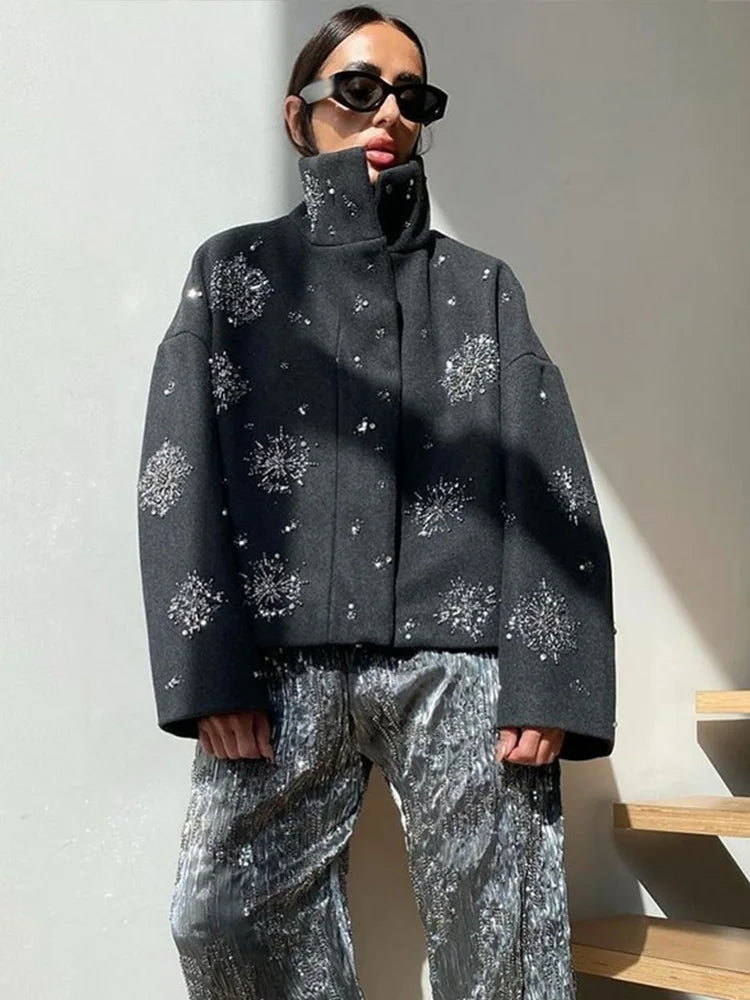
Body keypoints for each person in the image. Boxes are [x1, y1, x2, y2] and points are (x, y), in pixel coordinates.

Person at [136, 5, 617, 998]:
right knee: (220, 915)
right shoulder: (233, 272)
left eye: (412, 96)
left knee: (505, 937)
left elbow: (551, 481)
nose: (388, 112)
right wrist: (206, 671)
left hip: (460, 653)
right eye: (358, 88)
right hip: (279, 664)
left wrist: (550, 681)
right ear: (299, 113)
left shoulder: (481, 288)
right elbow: (176, 466)